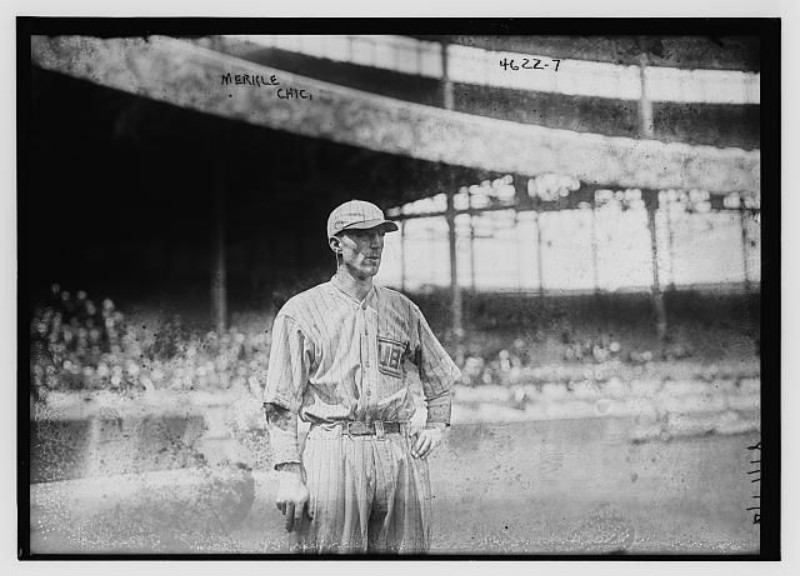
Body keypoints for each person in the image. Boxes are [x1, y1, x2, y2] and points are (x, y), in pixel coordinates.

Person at [263, 199, 461, 554]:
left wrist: (437, 424)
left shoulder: (403, 309)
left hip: (398, 449)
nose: (375, 244)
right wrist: (289, 472)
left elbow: (440, 374)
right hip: (334, 448)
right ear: (336, 244)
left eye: (380, 234)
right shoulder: (301, 311)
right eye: (363, 235)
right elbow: (280, 403)